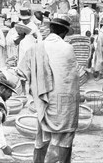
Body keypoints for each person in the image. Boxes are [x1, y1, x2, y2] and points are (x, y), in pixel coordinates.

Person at [17, 18, 80, 163]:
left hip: (44, 101)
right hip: (65, 103)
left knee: (42, 136)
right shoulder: (68, 48)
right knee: (64, 138)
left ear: (51, 29)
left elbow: (21, 72)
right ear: (64, 32)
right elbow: (73, 77)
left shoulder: (36, 48)